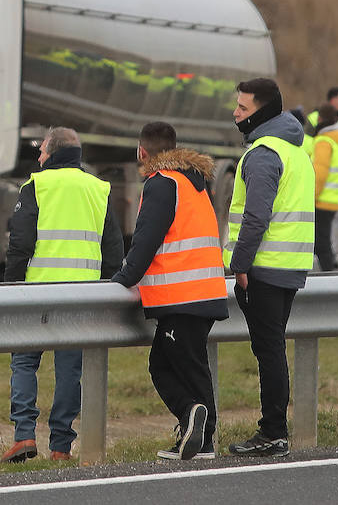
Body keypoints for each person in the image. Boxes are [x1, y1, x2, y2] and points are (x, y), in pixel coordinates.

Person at [1, 127, 124, 464]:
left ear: (51, 153)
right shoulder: (99, 189)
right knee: (69, 370)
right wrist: (107, 290)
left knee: (25, 360)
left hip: (38, 291)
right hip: (82, 294)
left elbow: (20, 243)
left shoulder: (37, 185)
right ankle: (61, 447)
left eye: (41, 151)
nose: (38, 158)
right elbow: (113, 249)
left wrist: (11, 286)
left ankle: (24, 435)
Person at [112, 122, 229, 461]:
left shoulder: (161, 183)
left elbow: (146, 237)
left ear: (142, 151)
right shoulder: (193, 183)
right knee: (192, 365)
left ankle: (191, 414)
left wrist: (124, 277)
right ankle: (202, 441)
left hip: (181, 295)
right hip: (204, 290)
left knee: (165, 367)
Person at [224, 77, 312, 457]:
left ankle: (273, 431)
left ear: (261, 111)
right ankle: (274, 429)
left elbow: (256, 217)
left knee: (269, 350)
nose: (236, 113)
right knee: (272, 348)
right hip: (289, 266)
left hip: (264, 267)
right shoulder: (295, 151)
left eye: (242, 108)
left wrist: (239, 264)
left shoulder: (262, 153)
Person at [309, 104, 338, 271]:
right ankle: (327, 273)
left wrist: (311, 196)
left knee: (321, 243)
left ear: (320, 119)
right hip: (335, 197)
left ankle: (329, 276)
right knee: (321, 240)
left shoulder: (324, 140)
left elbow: (320, 173)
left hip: (321, 198)